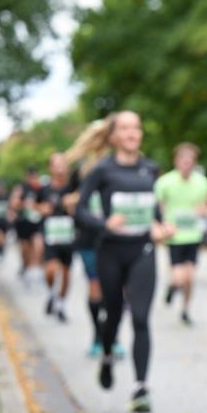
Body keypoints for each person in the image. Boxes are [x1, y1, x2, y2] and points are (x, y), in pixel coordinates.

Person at [76, 111, 175, 413]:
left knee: (141, 317)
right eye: (126, 128)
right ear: (114, 136)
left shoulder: (150, 169)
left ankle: (140, 387)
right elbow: (80, 211)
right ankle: (107, 354)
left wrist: (162, 227)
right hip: (111, 252)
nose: (133, 133)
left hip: (142, 251)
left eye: (137, 127)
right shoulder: (102, 170)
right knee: (114, 315)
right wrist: (105, 224)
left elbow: (154, 212)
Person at [62, 119, 126, 360]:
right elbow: (68, 202)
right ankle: (99, 336)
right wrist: (80, 198)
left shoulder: (122, 163)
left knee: (119, 292)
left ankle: (113, 336)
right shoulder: (81, 168)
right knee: (97, 288)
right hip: (90, 236)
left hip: (119, 236)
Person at [155, 142, 207, 326]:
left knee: (190, 278)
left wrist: (204, 210)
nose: (186, 164)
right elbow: (158, 207)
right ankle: (172, 287)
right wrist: (162, 225)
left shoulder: (202, 183)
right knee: (179, 276)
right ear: (177, 161)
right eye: (183, 160)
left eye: (190, 161)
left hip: (193, 235)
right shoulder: (165, 182)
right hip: (175, 236)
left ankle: (185, 310)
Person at [37, 153, 75, 322]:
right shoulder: (44, 189)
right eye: (56, 164)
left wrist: (72, 204)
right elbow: (35, 206)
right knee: (51, 270)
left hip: (69, 235)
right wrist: (42, 208)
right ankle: (52, 293)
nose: (60, 168)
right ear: (50, 168)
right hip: (51, 235)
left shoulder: (73, 187)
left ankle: (60, 303)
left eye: (63, 164)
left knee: (66, 272)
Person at [11, 167, 44, 283]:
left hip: (37, 223)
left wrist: (37, 206)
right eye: (31, 177)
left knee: (38, 246)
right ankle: (26, 267)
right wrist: (24, 203)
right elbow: (14, 204)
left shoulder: (41, 188)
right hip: (23, 223)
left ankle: (34, 271)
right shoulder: (21, 188)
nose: (33, 179)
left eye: (35, 176)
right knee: (25, 249)